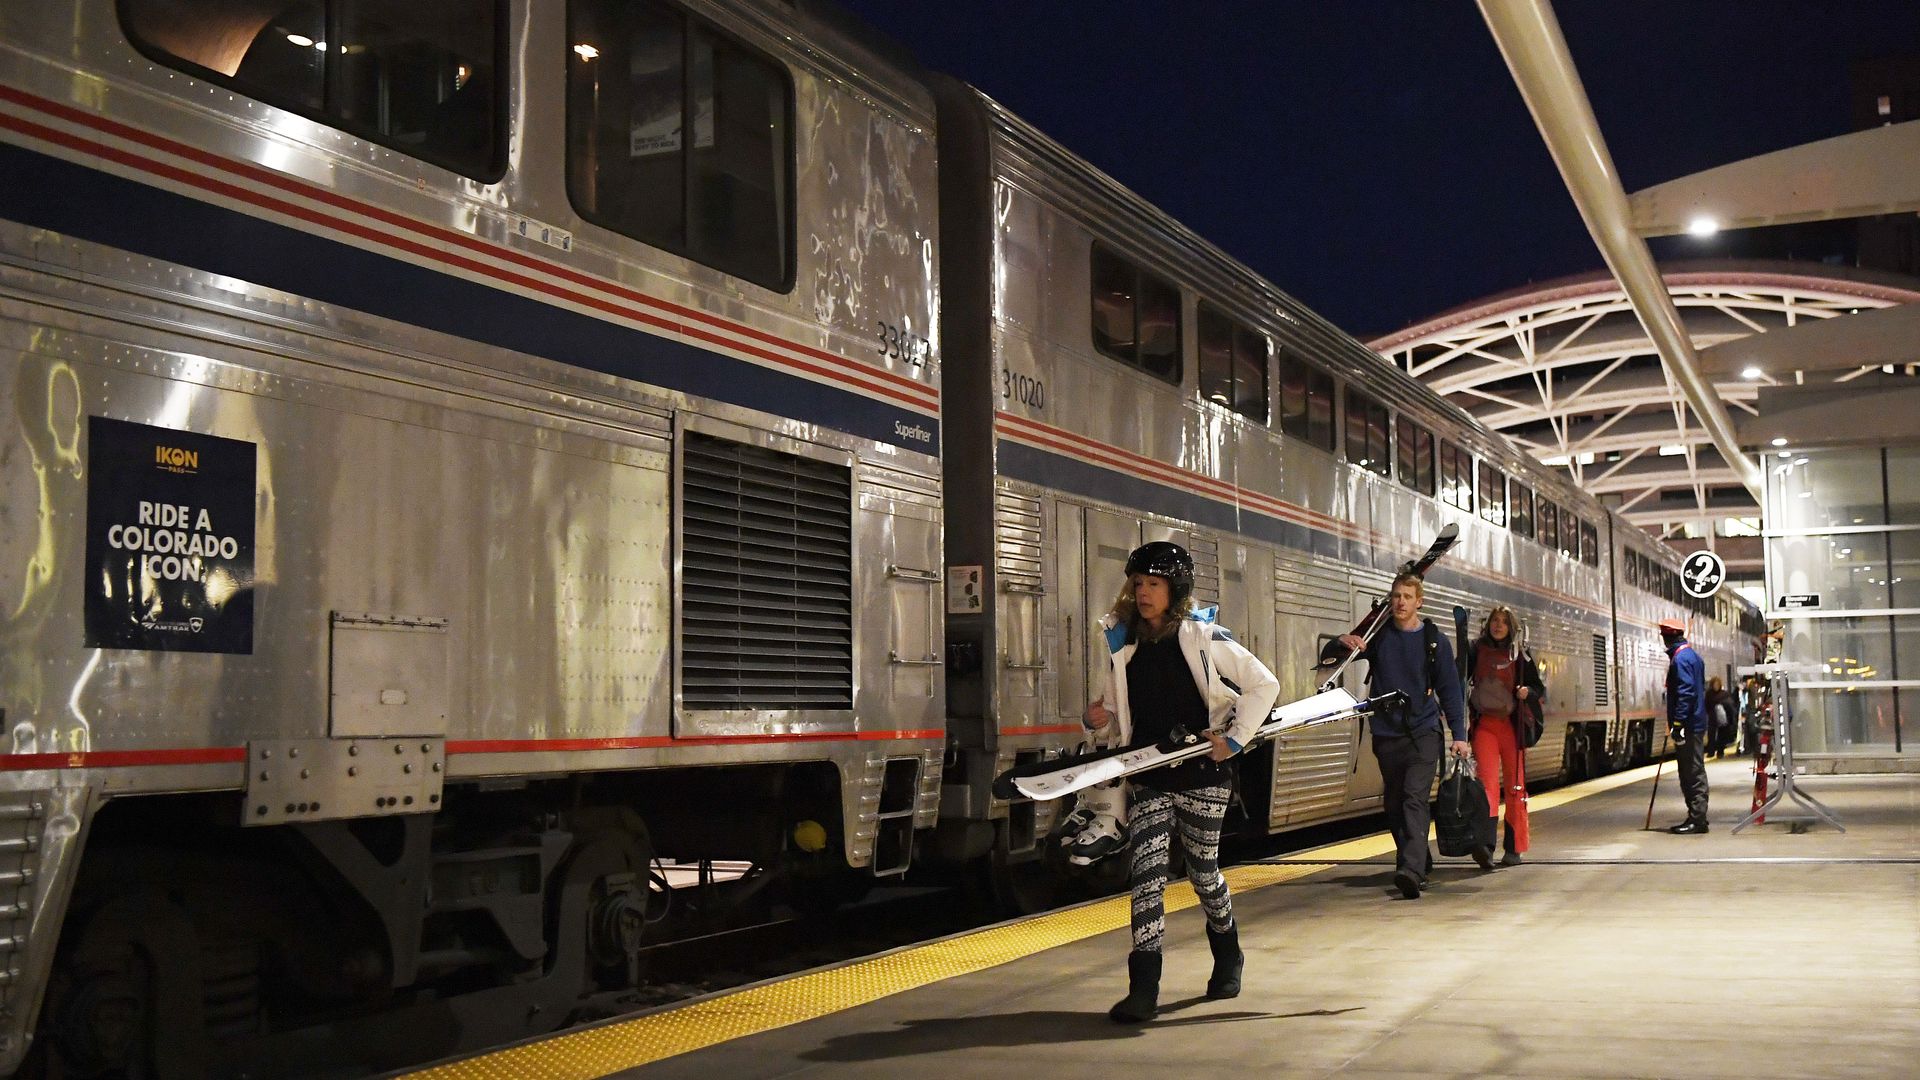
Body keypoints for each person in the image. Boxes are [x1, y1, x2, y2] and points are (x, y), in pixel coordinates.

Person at [1084, 541, 1280, 1024]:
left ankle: (1228, 951)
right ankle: (1144, 988)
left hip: (1203, 773)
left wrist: (1234, 741)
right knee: (1146, 876)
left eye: (1154, 584)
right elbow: (1111, 715)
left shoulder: (1204, 636)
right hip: (1150, 773)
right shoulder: (1121, 640)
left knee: (1202, 874)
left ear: (1175, 590)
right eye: (1139, 583)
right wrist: (1096, 720)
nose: (1144, 591)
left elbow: (1265, 685)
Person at [1338, 572, 1468, 899]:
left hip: (1423, 732)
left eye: (1407, 597)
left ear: (1418, 602)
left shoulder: (1434, 641)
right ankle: (1419, 859)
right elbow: (1335, 660)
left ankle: (1409, 869)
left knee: (1414, 798)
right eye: (1396, 596)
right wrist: (1342, 641)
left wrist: (1460, 735)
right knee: (1394, 805)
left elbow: (1450, 692)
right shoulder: (1379, 637)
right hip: (1387, 734)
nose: (1400, 602)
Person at [1465, 606, 1545, 866]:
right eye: (1494, 621)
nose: (1498, 626)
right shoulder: (1476, 650)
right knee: (1486, 786)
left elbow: (1538, 688)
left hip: (1512, 727)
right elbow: (1460, 679)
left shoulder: (1521, 654)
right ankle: (1484, 847)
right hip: (1485, 726)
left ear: (1511, 627)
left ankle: (1514, 847)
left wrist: (1527, 692)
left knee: (1515, 787)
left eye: (1503, 622)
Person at [1660, 618, 1709, 833]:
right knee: (1693, 770)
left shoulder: (1680, 660)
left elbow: (1686, 693)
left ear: (1668, 637)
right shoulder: (1693, 657)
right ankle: (1696, 816)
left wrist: (1678, 723)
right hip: (1695, 722)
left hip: (1689, 725)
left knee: (1691, 772)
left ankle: (1697, 819)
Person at [1705, 676, 1737, 760]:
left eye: (1717, 684)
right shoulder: (1709, 694)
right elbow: (1706, 705)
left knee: (1721, 736)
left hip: (1722, 718)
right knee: (1711, 735)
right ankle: (1711, 751)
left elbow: (1730, 706)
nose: (1716, 686)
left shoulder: (1723, 694)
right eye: (1715, 684)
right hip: (1713, 717)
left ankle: (1720, 752)